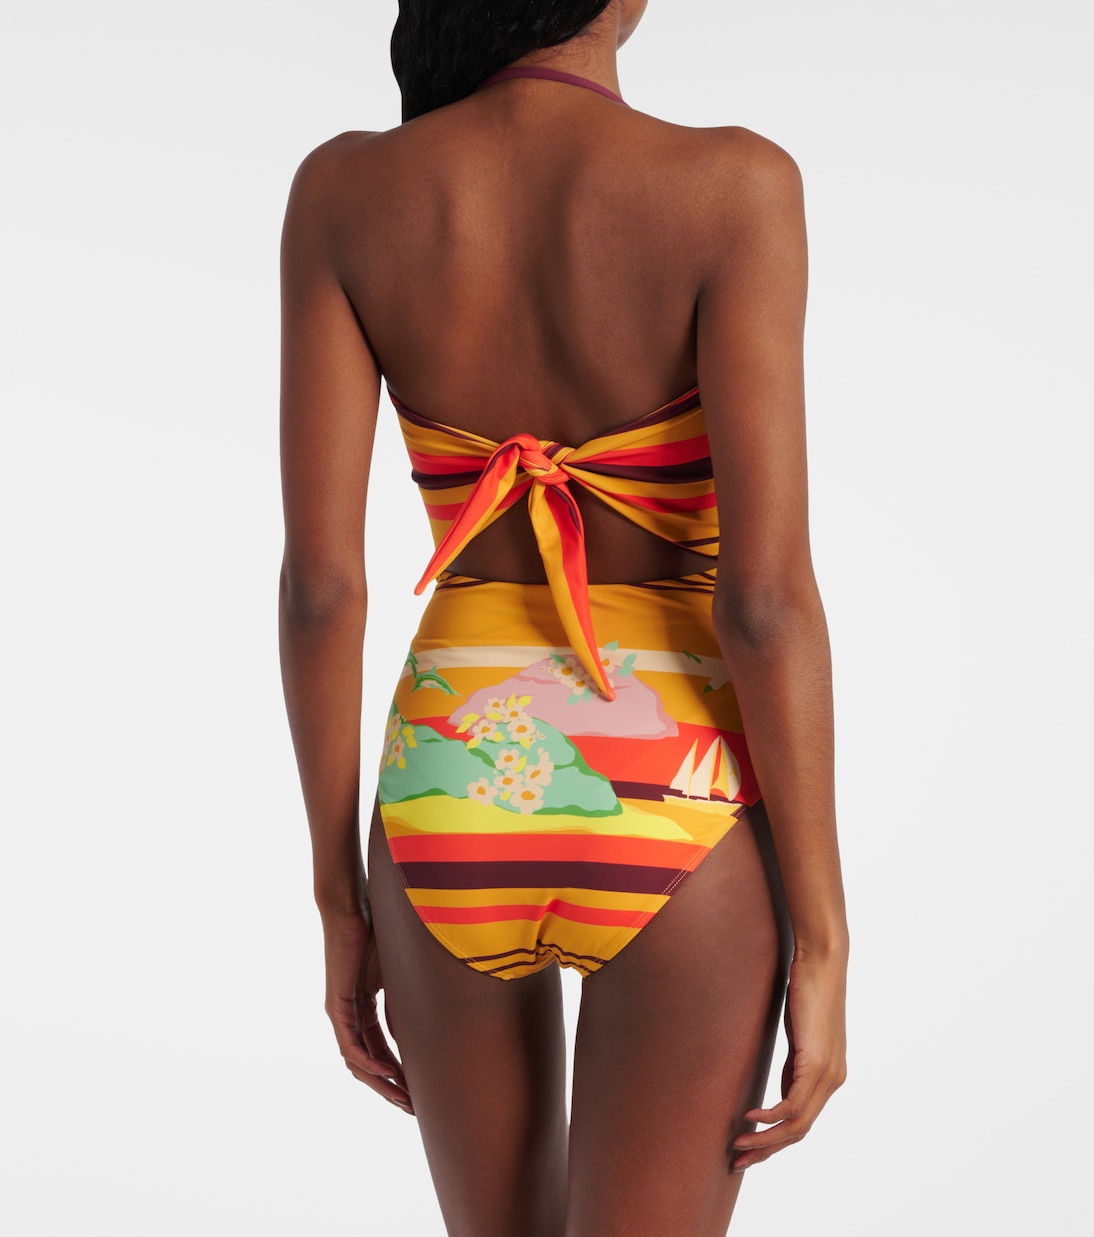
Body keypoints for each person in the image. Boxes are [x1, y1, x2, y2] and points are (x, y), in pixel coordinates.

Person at [278, 1, 848, 1232]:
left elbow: (321, 590)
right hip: (676, 787)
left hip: (446, 782)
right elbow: (762, 604)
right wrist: (823, 936)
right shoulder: (733, 185)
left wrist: (337, 901)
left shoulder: (343, 191)